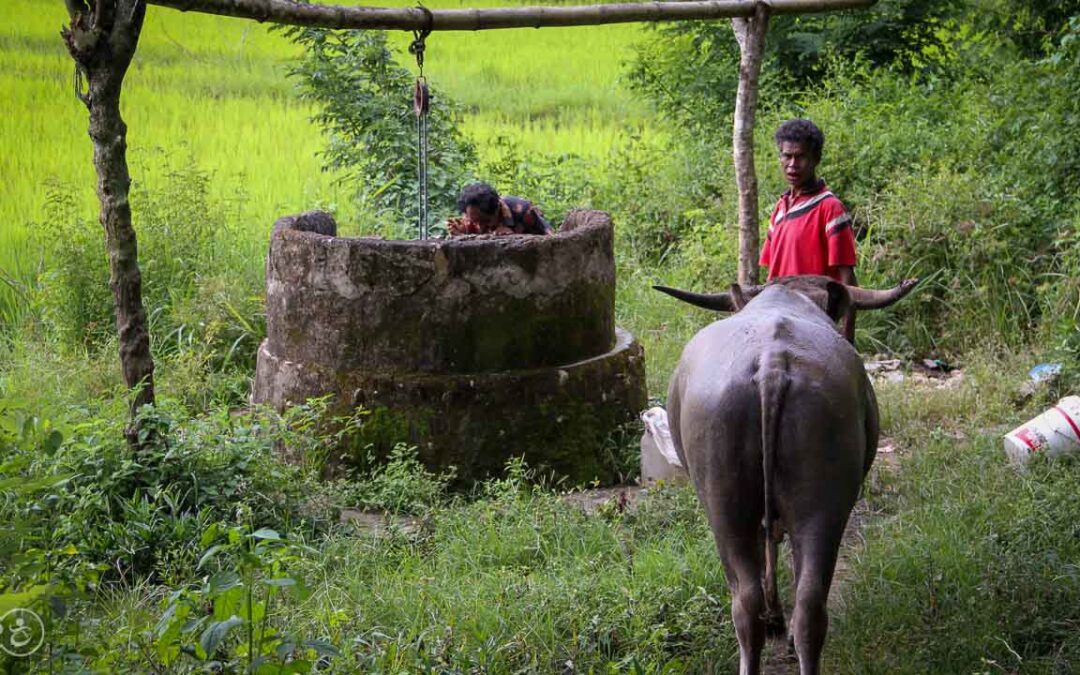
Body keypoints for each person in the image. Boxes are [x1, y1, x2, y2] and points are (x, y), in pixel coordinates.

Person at [759, 119, 859, 342]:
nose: (792, 164)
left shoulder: (830, 208)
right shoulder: (779, 208)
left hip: (815, 319)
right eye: (786, 156)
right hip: (777, 316)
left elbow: (847, 277)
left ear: (816, 159)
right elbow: (772, 275)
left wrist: (848, 336)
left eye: (801, 156)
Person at [447, 182, 552, 236]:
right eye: (475, 222)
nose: (480, 226)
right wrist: (461, 234)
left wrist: (513, 238)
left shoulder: (523, 211)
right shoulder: (471, 216)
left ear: (496, 210)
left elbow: (552, 242)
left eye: (485, 221)